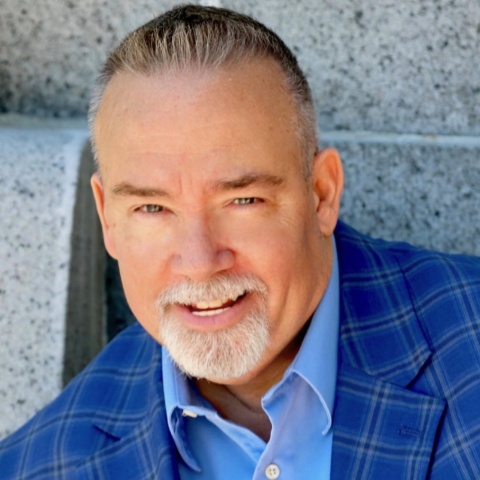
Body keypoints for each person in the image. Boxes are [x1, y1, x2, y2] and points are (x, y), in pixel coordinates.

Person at [1, 4, 480, 479]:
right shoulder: (41, 466)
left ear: (322, 194)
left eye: (243, 200)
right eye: (152, 208)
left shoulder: (469, 343)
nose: (200, 262)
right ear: (108, 218)